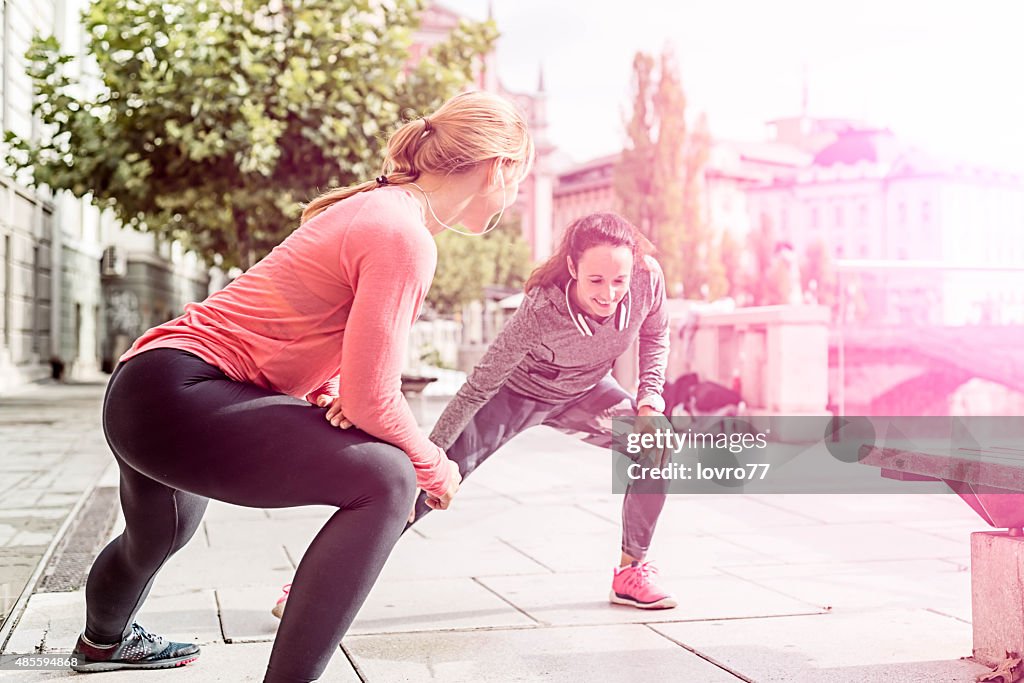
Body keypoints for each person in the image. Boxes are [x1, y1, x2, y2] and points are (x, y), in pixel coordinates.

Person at [70, 90, 534, 682]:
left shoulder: (381, 208)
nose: (515, 194)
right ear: (500, 167)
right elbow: (375, 400)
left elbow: (305, 329)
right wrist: (433, 463)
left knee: (159, 534)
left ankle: (103, 642)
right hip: (182, 392)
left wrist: (328, 384)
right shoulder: (403, 233)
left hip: (147, 388)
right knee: (389, 479)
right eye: (520, 176)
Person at [273, 211, 676, 618]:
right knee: (421, 486)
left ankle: (632, 571)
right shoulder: (541, 309)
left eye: (618, 281)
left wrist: (649, 402)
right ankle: (315, 585)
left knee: (658, 445)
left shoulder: (647, 278)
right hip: (515, 394)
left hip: (586, 391)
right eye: (596, 280)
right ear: (573, 266)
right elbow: (478, 386)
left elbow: (656, 333)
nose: (609, 294)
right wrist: (427, 457)